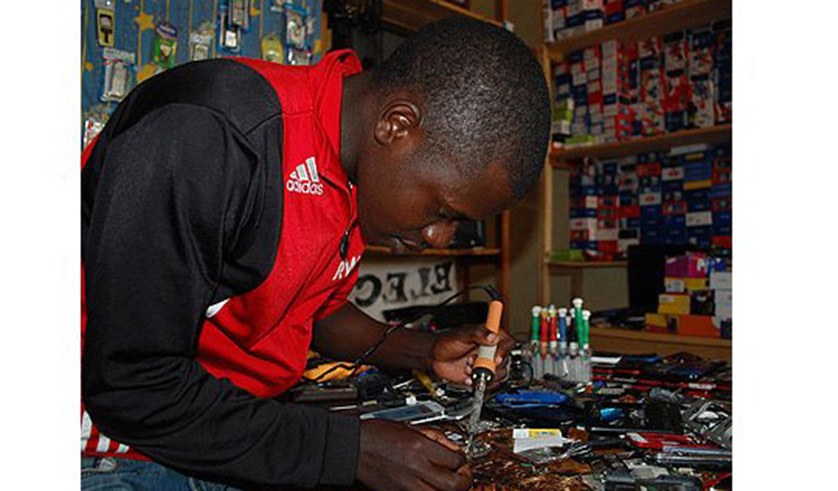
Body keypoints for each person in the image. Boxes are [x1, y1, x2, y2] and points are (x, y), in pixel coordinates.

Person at [81, 17, 550, 491]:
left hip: (216, 432)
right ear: (397, 125)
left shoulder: (349, 169)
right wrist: (351, 450)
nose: (440, 237)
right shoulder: (211, 133)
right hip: (109, 450)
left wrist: (428, 351)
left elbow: (312, 312)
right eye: (442, 209)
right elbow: (131, 387)